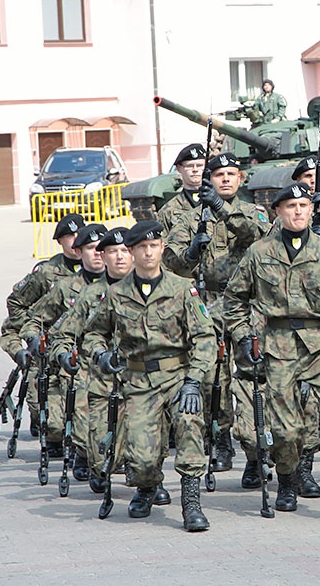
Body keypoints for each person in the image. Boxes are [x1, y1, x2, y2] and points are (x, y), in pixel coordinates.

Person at [223, 183, 320, 520]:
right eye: (291, 205)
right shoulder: (259, 252)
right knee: (286, 429)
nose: (298, 211)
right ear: (277, 211)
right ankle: (288, 480)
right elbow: (234, 301)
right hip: (276, 346)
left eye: (304, 205)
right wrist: (244, 337)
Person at [84, 220, 217, 531]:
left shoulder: (182, 288)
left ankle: (192, 503)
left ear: (162, 249)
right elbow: (93, 333)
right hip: (139, 382)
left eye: (154, 246)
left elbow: (205, 337)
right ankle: (147, 486)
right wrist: (102, 356)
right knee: (142, 460)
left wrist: (194, 380)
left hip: (178, 377)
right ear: (131, 252)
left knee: (188, 424)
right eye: (141, 247)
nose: (148, 252)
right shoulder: (117, 293)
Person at [164, 152, 270, 484]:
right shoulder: (191, 217)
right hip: (206, 301)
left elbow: (260, 237)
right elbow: (171, 261)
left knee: (252, 376)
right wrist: (192, 252)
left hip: (246, 304)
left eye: (231, 174)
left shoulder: (254, 212)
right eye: (218, 174)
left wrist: (224, 212)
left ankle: (255, 453)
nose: (225, 179)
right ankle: (219, 439)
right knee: (212, 377)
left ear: (241, 178)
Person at [49, 226, 135, 495]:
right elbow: (62, 334)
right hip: (98, 376)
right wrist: (63, 355)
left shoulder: (151, 290)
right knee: (98, 452)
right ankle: (98, 462)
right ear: (103, 256)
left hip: (141, 377)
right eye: (112, 252)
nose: (119, 257)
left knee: (146, 434)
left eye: (124, 251)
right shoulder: (90, 295)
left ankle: (146, 480)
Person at [21, 224, 108, 478]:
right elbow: (34, 320)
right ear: (79, 253)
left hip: (110, 363)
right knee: (62, 425)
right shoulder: (65, 287)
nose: (98, 254)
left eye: (102, 248)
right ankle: (82, 452)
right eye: (91, 249)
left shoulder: (121, 285)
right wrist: (34, 339)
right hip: (75, 363)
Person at [0, 213, 86, 443]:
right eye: (69, 236)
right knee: (47, 418)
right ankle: (46, 424)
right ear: (59, 241)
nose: (75, 240)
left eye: (80, 235)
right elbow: (16, 302)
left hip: (80, 345)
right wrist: (32, 333)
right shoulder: (48, 272)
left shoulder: (101, 267)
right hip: (47, 344)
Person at [158, 143, 207, 234]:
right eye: (189, 166)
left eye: (199, 165)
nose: (195, 170)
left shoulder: (217, 203)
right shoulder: (168, 210)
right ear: (179, 168)